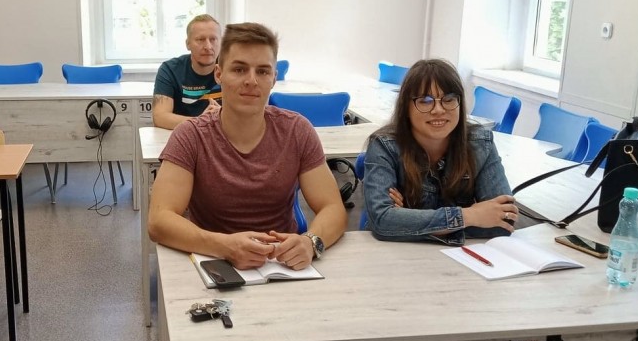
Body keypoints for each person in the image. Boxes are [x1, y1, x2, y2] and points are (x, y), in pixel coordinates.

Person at [148, 22, 346, 270]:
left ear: (274, 78)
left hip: (282, 266)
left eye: (262, 71)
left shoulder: (297, 131)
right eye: (239, 69)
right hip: (212, 261)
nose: (251, 81)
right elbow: (159, 220)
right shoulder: (190, 136)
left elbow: (333, 208)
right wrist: (225, 246)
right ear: (219, 74)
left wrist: (311, 242)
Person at [363, 58, 517, 245]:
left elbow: (504, 221)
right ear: (406, 107)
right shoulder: (384, 146)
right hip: (395, 254)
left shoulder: (480, 144)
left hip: (459, 257)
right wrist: (470, 215)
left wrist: (407, 221)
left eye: (449, 99)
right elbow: (382, 221)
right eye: (425, 101)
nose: (438, 110)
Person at [152, 14, 223, 129]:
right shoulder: (170, 69)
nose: (208, 46)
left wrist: (223, 117)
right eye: (200, 39)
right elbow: (160, 117)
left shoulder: (233, 68)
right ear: (188, 44)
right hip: (184, 135)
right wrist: (201, 121)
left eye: (213, 39)